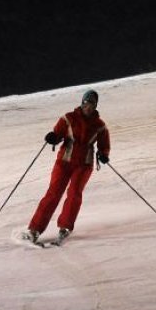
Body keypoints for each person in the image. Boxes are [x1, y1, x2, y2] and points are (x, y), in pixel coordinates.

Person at [23, 90, 110, 244]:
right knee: (54, 192)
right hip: (64, 161)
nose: (88, 107)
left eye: (91, 104)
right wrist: (53, 138)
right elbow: (58, 134)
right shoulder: (68, 118)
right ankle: (35, 228)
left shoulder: (100, 125)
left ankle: (65, 226)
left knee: (75, 193)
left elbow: (104, 145)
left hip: (84, 163)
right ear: (82, 103)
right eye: (86, 103)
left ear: (95, 105)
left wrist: (103, 154)